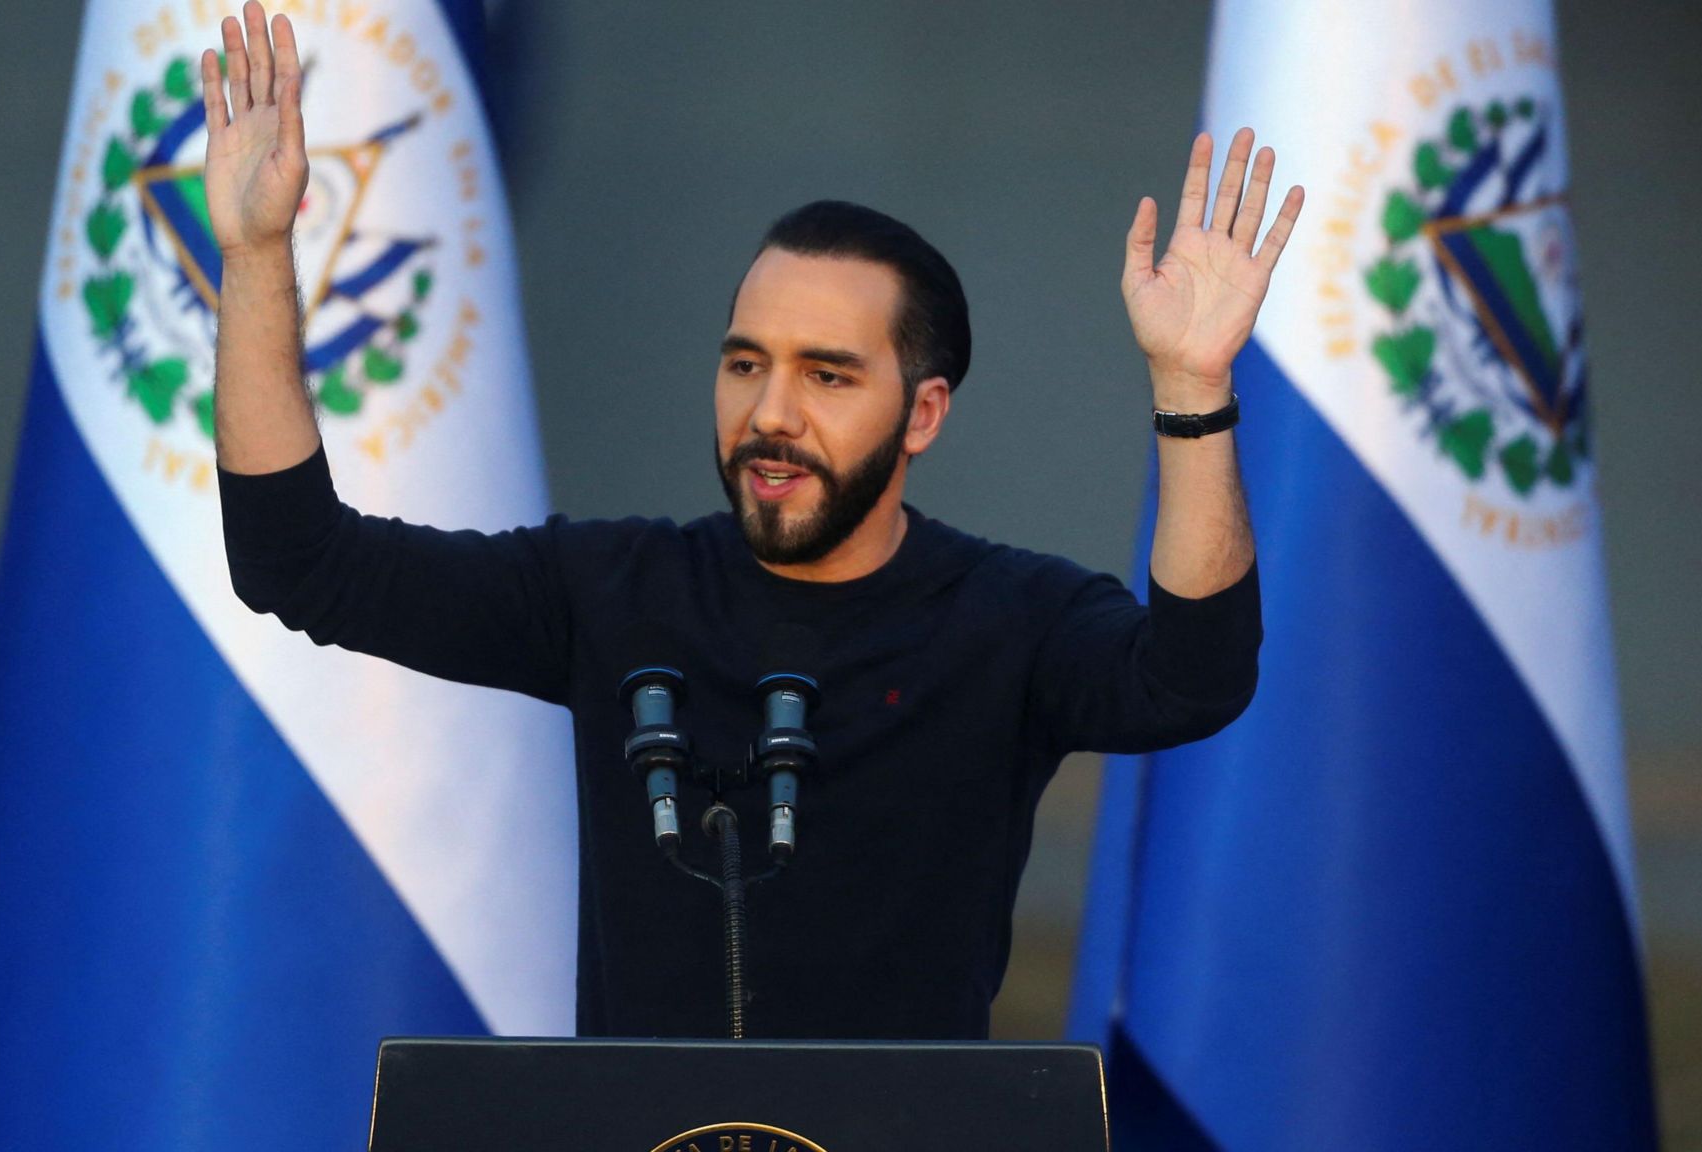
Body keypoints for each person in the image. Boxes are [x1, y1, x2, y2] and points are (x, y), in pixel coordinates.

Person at [203, 2, 1303, 1039]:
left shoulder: (1010, 619)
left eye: (826, 377)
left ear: (921, 413)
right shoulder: (613, 592)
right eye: (744, 364)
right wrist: (254, 258)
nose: (769, 415)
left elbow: (1193, 676)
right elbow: (295, 563)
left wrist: (1192, 386)